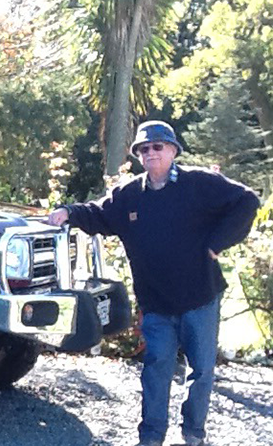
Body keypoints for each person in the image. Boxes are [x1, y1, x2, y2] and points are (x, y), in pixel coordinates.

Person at [47, 121, 260, 446]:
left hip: (200, 298)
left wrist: (217, 242)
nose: (151, 153)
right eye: (144, 149)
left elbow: (246, 201)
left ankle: (193, 434)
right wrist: (67, 212)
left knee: (201, 372)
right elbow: (98, 214)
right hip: (157, 304)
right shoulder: (129, 195)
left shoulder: (199, 184)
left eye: (157, 147)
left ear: (173, 150)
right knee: (156, 370)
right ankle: (150, 438)